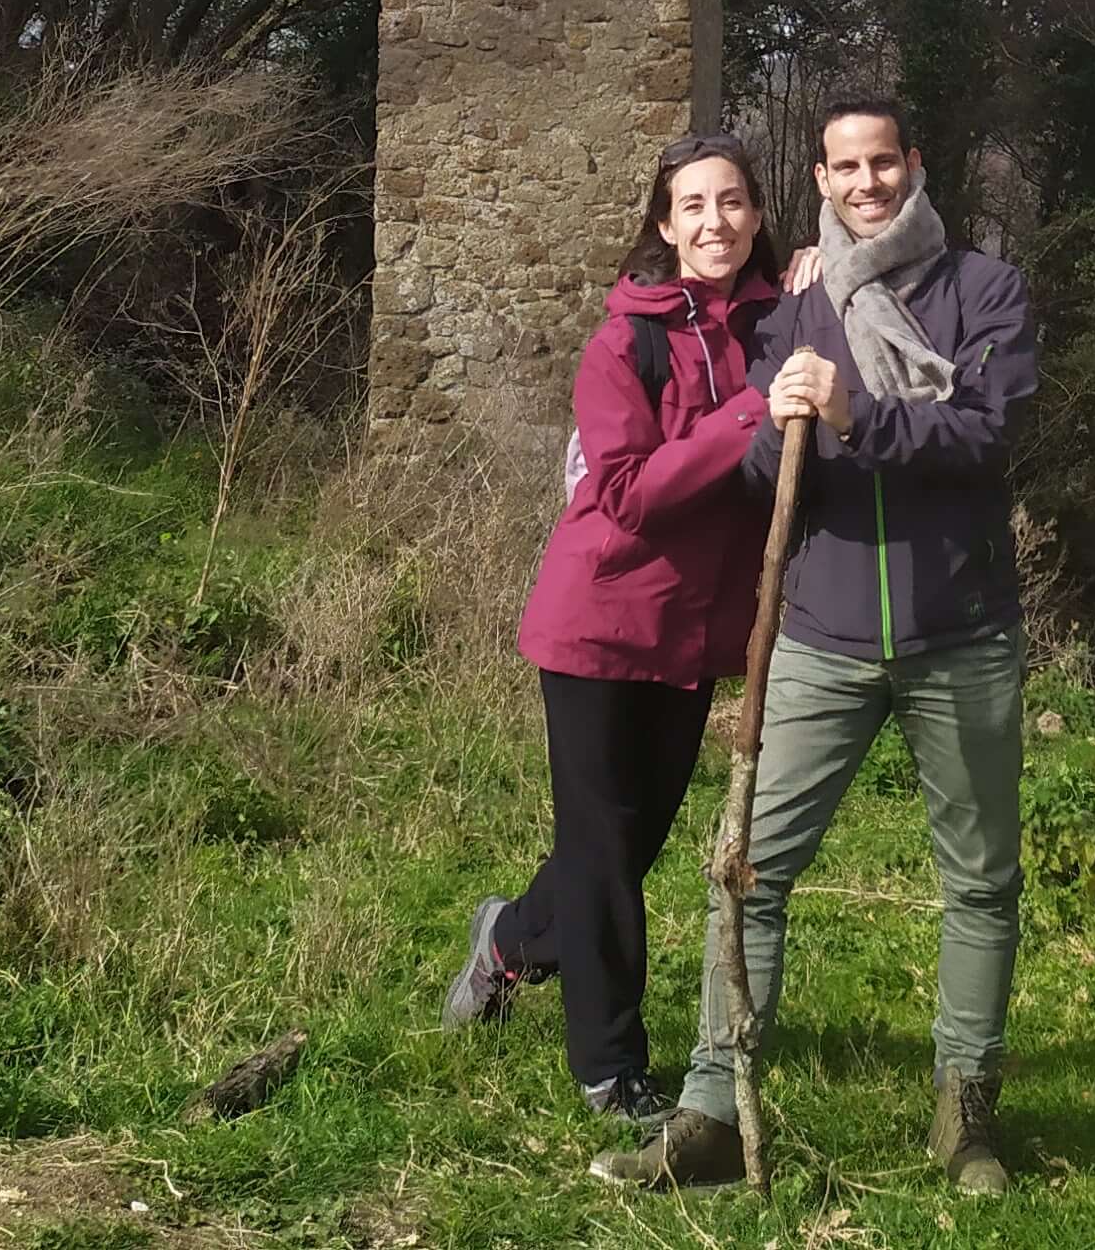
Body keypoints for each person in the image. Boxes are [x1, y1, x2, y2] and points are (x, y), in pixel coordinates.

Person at [596, 92, 1038, 1198]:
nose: (866, 184)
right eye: (844, 169)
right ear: (825, 181)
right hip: (820, 640)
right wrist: (774, 419)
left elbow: (988, 435)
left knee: (979, 883)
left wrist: (856, 417)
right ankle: (707, 1111)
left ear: (914, 165)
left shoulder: (983, 290)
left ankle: (965, 1117)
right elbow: (758, 476)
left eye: (882, 163)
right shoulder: (798, 312)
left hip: (960, 634)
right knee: (746, 871)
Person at [444, 129, 781, 1130]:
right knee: (599, 851)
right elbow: (627, 494)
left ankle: (509, 940)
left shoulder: (781, 325)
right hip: (598, 623)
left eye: (731, 202)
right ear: (665, 226)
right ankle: (610, 1070)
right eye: (693, 206)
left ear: (756, 215)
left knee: (624, 847)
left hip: (692, 637)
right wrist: (746, 419)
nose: (713, 221)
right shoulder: (621, 342)